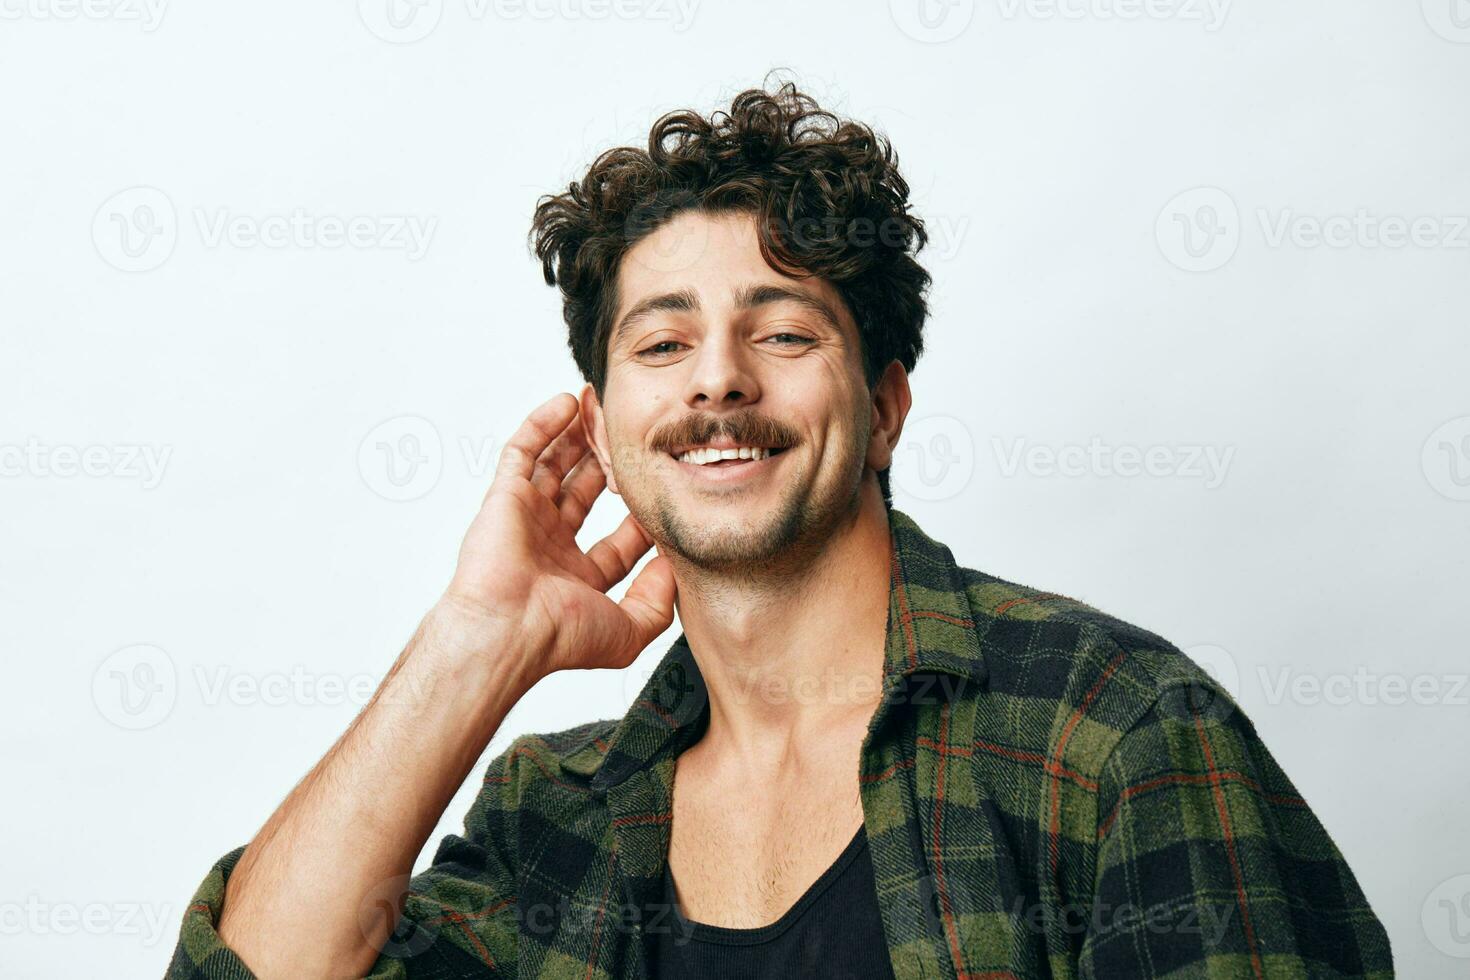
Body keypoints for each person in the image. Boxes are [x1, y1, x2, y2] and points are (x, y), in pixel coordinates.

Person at [166, 81, 1392, 979]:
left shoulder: (1113, 731)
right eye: (660, 344)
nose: (716, 381)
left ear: (884, 407)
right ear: (603, 428)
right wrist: (477, 641)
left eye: (786, 331)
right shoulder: (560, 817)